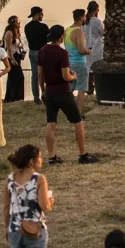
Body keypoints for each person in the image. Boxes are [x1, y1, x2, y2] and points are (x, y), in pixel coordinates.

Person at [38, 24, 99, 165]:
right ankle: (83, 154)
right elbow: (65, 76)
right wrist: (74, 76)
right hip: (63, 91)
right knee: (78, 121)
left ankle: (52, 156)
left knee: (51, 123)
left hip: (50, 92)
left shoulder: (42, 51)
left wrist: (43, 90)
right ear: (61, 37)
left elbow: (40, 74)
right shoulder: (62, 53)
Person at [65, 9, 92, 110]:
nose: (85, 18)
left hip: (69, 63)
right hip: (79, 63)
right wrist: (88, 51)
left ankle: (67, 109)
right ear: (81, 18)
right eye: (84, 17)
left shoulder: (67, 30)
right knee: (81, 89)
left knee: (70, 88)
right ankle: (78, 113)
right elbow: (81, 50)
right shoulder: (78, 31)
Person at [25, 7, 50, 106]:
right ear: (37, 14)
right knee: (45, 75)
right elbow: (48, 39)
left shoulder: (27, 27)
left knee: (35, 75)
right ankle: (45, 94)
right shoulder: (43, 27)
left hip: (32, 52)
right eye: (41, 14)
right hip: (42, 52)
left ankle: (36, 98)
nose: (42, 16)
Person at [3, 16, 26, 103]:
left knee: (15, 77)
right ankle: (14, 97)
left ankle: (15, 97)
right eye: (17, 21)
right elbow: (8, 47)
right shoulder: (9, 33)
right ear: (13, 23)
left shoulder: (17, 33)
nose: (19, 23)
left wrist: (20, 46)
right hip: (12, 56)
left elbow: (16, 44)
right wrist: (12, 59)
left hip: (17, 55)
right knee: (17, 77)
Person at [84, 1, 105, 91]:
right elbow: (103, 33)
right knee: (97, 70)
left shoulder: (84, 21)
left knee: (89, 70)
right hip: (97, 48)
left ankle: (89, 90)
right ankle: (99, 89)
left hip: (86, 48)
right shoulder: (97, 22)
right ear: (96, 10)